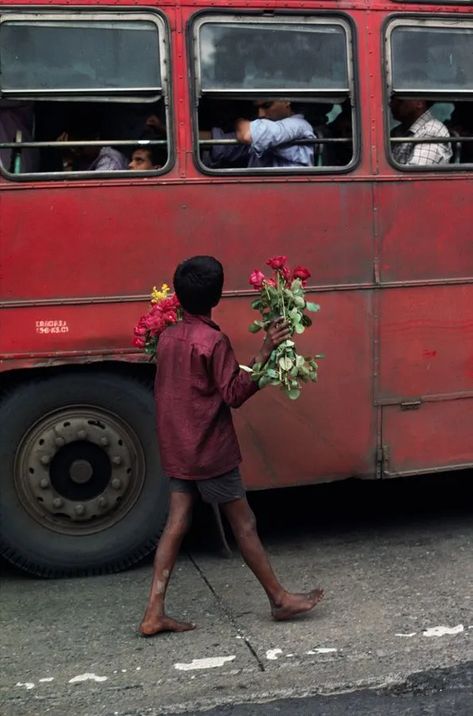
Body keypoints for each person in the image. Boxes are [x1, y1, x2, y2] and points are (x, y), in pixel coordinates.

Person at [139, 256, 324, 636]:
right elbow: (234, 394)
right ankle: (278, 599)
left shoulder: (170, 336)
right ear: (217, 296)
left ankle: (153, 612)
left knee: (176, 523)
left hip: (178, 447)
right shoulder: (213, 341)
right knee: (245, 524)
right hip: (210, 450)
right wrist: (265, 352)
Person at [206, 99, 315, 169]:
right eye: (257, 108)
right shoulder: (269, 132)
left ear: (286, 101)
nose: (260, 114)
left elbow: (246, 135)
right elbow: (228, 146)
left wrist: (238, 120)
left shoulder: (297, 125)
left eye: (267, 105)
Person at [390, 98, 452, 166]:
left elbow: (414, 173)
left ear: (419, 103)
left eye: (400, 101)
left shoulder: (432, 131)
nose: (391, 104)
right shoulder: (398, 130)